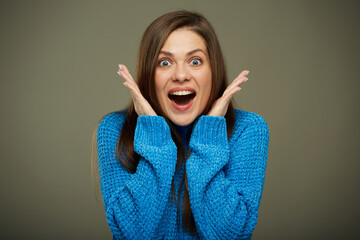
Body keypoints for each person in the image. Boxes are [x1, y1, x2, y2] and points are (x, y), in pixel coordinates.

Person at [94, 10, 269, 240]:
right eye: (164, 62)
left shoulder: (248, 129)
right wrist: (153, 134)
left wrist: (210, 134)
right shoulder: (114, 130)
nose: (180, 75)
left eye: (195, 61)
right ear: (148, 73)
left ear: (213, 70)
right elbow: (131, 234)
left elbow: (231, 235)